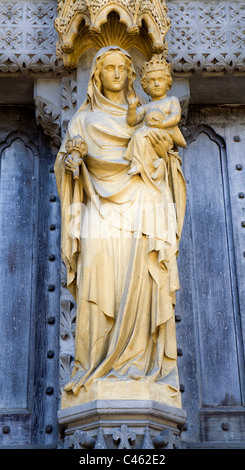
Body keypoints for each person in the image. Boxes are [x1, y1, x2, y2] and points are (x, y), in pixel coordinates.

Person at [54, 46, 186, 404]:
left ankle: (140, 368)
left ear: (131, 76)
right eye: (108, 68)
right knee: (99, 278)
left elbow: (167, 160)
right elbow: (68, 168)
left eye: (121, 69)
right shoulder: (82, 120)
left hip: (143, 204)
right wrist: (71, 163)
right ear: (96, 75)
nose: (115, 74)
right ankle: (93, 367)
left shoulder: (145, 116)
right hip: (98, 207)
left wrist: (161, 154)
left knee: (142, 281)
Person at [125, 56, 186, 187]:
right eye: (151, 81)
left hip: (165, 135)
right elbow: (132, 121)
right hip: (147, 135)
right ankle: (140, 164)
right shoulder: (146, 106)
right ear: (145, 86)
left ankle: (153, 164)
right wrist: (131, 106)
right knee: (137, 136)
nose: (156, 84)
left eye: (160, 80)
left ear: (168, 82)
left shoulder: (171, 100)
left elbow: (176, 116)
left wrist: (162, 124)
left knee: (142, 136)